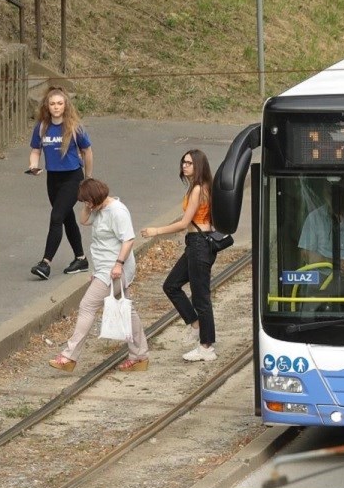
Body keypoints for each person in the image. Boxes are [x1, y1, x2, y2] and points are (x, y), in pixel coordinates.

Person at [49, 178, 148, 372]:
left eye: (87, 201)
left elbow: (128, 240)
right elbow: (83, 220)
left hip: (115, 269)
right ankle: (140, 355)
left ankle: (69, 356)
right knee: (127, 310)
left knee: (87, 305)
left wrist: (118, 265)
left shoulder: (117, 211)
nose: (85, 205)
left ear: (96, 197)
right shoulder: (98, 209)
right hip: (105, 268)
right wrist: (89, 205)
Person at [141, 149, 218, 362]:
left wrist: (156, 231)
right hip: (195, 244)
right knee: (171, 285)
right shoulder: (201, 187)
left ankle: (206, 346)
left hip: (199, 244)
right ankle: (195, 324)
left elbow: (184, 223)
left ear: (199, 166)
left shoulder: (198, 190)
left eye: (189, 163)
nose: (184, 166)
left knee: (201, 297)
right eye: (183, 162)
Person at [27, 86, 93, 280]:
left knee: (56, 216)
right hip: (53, 179)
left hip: (73, 178)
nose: (56, 107)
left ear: (66, 105)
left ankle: (45, 263)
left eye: (60, 103)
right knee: (66, 217)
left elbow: (87, 151)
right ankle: (81, 259)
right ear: (47, 106)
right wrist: (33, 166)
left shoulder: (74, 127)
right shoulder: (42, 127)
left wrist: (88, 178)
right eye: (52, 104)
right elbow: (35, 150)